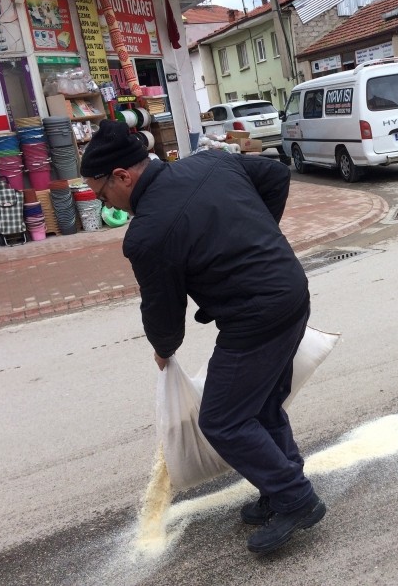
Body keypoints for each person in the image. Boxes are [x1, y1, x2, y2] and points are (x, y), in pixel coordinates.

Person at [80, 120, 325, 555]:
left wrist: (163, 349)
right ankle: (280, 483)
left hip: (256, 317)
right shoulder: (211, 163)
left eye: (102, 194)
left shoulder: (149, 233)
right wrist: (260, 237)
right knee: (261, 404)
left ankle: (295, 498)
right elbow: (275, 175)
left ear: (122, 176)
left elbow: (162, 307)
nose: (107, 205)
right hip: (290, 291)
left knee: (223, 420)